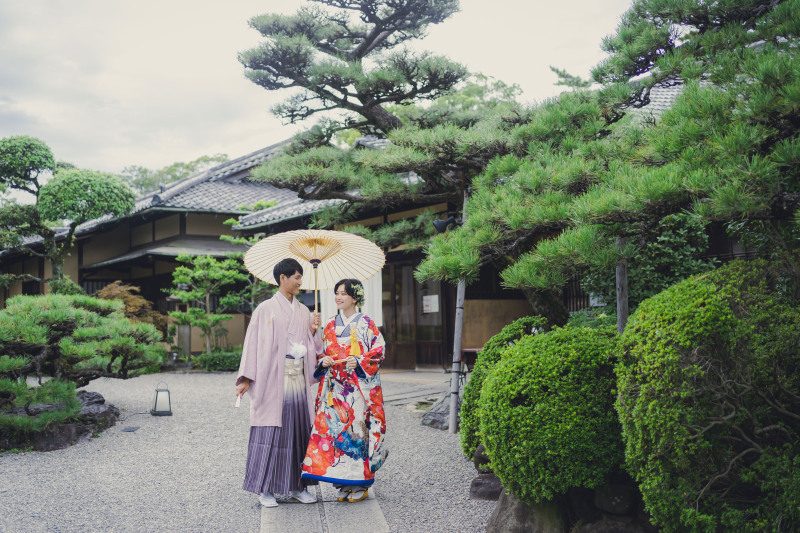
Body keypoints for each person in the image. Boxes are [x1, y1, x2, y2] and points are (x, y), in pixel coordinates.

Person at [235, 258, 323, 508]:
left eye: (301, 278)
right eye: (296, 277)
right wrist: (245, 379)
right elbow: (252, 344)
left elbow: (312, 348)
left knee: (297, 432)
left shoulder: (304, 311)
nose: (299, 282)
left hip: (296, 377)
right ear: (282, 278)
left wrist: (314, 332)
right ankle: (266, 489)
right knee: (270, 432)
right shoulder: (265, 309)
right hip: (273, 377)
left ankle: (297, 486)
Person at [300, 278, 387, 503]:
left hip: (357, 390)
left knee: (356, 433)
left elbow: (378, 351)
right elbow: (320, 351)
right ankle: (341, 481)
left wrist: (358, 361)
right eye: (337, 293)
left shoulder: (367, 323)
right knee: (334, 432)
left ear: (355, 297)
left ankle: (359, 482)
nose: (338, 297)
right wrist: (324, 359)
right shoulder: (329, 325)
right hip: (334, 388)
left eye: (343, 293)